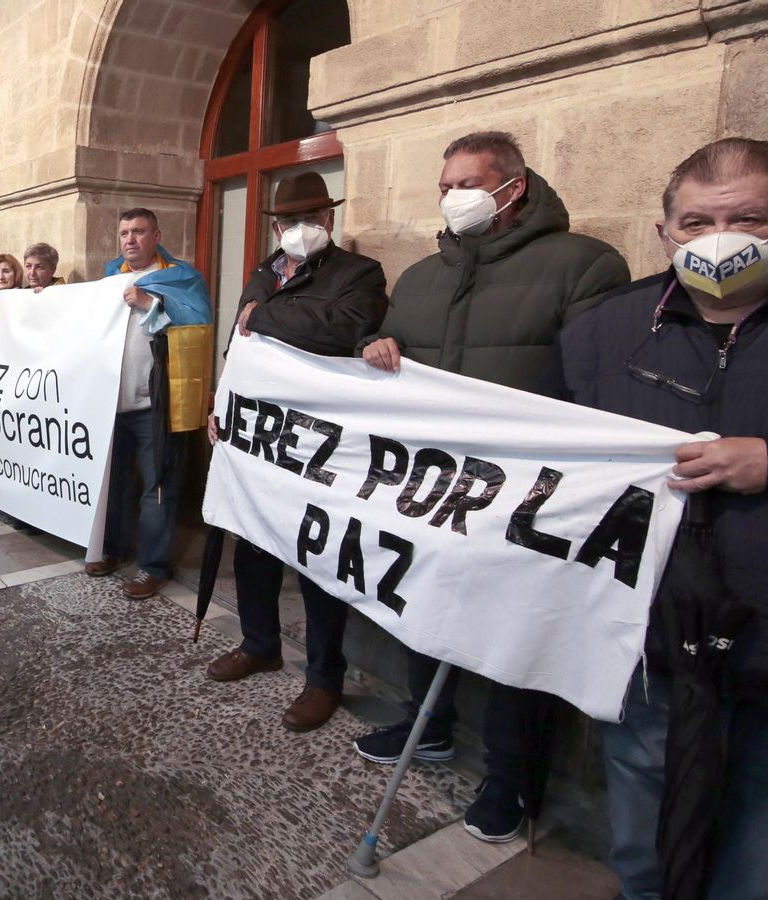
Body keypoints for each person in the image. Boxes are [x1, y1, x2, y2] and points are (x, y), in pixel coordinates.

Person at [547, 138, 768, 900]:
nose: (718, 239)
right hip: (648, 644)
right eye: (697, 221)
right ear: (665, 231)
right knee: (644, 843)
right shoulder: (603, 331)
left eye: (746, 218)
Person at [357, 131, 631, 842]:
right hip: (430, 489)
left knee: (515, 643)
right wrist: (376, 348)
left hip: (522, 497)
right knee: (424, 605)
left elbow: (594, 382)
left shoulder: (584, 265)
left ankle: (510, 780)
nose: (454, 198)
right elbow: (388, 348)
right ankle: (432, 725)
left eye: (468, 184)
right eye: (445, 186)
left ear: (512, 187)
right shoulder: (421, 276)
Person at [203, 171, 389, 733]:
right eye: (289, 221)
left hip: (317, 440)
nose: (299, 229)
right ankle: (259, 642)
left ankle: (323, 677)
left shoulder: (360, 273)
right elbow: (241, 345)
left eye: (312, 219)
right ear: (276, 225)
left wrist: (264, 315)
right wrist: (222, 399)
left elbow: (341, 329)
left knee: (316, 557)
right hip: (259, 432)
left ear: (329, 221)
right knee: (254, 544)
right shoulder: (262, 271)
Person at [86, 207, 213, 598]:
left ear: (156, 234)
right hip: (111, 401)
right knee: (115, 482)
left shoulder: (181, 278)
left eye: (139, 231)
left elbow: (197, 325)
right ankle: (114, 549)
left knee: (158, 485)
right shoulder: (108, 278)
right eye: (124, 232)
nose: (130, 239)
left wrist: (150, 304)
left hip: (155, 402)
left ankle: (153, 566)